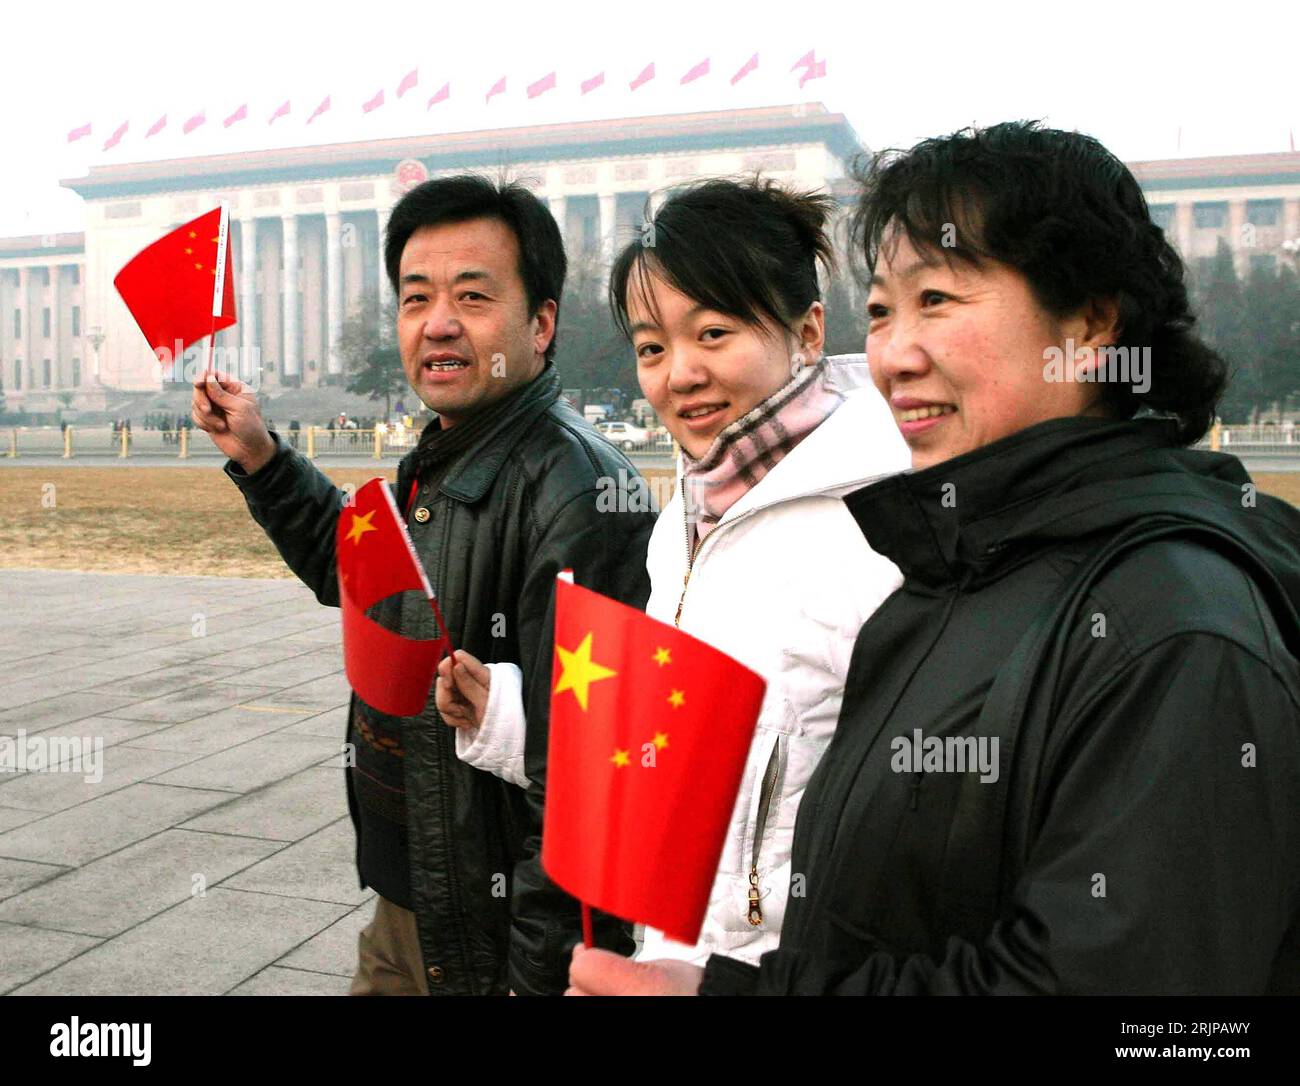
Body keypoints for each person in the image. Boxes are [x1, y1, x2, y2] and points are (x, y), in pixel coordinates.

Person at [569, 121, 1300, 996]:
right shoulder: (956, 556)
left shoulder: (1179, 631)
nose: (893, 354)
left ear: (1091, 322)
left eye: (938, 302)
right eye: (880, 311)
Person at [192, 174, 656, 996]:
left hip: (493, 935)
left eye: (473, 297)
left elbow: (589, 783)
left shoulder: (575, 491)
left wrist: (538, 978)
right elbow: (367, 583)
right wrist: (262, 457)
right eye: (415, 298)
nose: (437, 323)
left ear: (540, 324)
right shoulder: (449, 455)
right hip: (415, 905)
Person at [436, 177, 909, 967]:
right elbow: (679, 746)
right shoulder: (684, 522)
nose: (678, 373)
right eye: (653, 347)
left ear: (809, 330)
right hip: (678, 958)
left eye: (714, 332)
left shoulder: (888, 526)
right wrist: (509, 723)